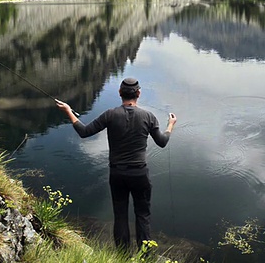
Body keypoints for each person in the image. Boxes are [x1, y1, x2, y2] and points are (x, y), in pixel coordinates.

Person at [56, 77, 177, 251]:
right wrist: (170, 125)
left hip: (117, 174)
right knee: (142, 215)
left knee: (120, 216)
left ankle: (123, 257)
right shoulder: (148, 117)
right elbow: (162, 142)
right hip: (139, 174)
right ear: (138, 94)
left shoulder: (110, 115)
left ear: (120, 93)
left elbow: (84, 132)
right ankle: (145, 257)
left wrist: (68, 111)